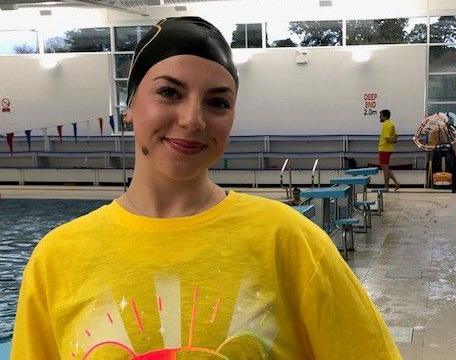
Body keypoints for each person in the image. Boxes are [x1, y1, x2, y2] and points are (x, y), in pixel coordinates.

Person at [10, 17, 401, 359]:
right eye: (169, 92)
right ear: (128, 107)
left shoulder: (290, 241)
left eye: (217, 103)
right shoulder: (56, 260)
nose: (192, 119)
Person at [378, 109, 400, 191]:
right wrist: (394, 140)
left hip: (384, 148)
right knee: (385, 168)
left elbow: (387, 138)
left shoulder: (386, 125)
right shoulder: (391, 124)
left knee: (385, 168)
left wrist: (393, 140)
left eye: (381, 116)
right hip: (388, 148)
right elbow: (396, 136)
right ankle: (396, 183)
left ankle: (386, 187)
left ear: (385, 116)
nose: (379, 117)